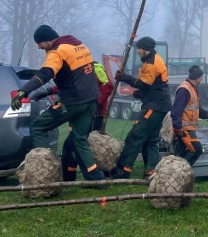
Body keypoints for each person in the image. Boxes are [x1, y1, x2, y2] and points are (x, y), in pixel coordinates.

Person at [10, 25, 105, 181]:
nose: (39, 47)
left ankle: (45, 171)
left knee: (39, 127)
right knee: (79, 139)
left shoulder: (58, 51)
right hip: (91, 100)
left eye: (39, 43)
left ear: (47, 39)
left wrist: (24, 91)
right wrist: (48, 91)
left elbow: (46, 73)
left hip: (73, 102)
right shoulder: (79, 46)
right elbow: (75, 77)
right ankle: (95, 176)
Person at [30, 61, 114, 181]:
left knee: (80, 145)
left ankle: (96, 175)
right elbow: (72, 87)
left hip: (94, 113)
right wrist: (48, 91)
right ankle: (73, 176)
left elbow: (108, 85)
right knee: (72, 146)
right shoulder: (75, 71)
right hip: (81, 109)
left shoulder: (92, 68)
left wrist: (96, 103)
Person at [111, 36, 172, 179]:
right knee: (151, 139)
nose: (138, 51)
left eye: (139, 49)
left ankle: (122, 171)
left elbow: (145, 84)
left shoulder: (151, 63)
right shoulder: (153, 59)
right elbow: (153, 85)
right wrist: (140, 94)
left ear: (145, 49)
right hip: (159, 105)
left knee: (135, 137)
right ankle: (151, 171)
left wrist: (124, 78)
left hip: (154, 107)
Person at [170, 65, 208, 166]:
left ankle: (174, 173)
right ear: (198, 78)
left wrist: (207, 115)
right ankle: (182, 172)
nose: (202, 79)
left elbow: (195, 109)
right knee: (196, 149)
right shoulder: (185, 89)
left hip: (186, 128)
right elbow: (176, 111)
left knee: (181, 153)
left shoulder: (191, 88)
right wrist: (177, 127)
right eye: (201, 77)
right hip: (185, 129)